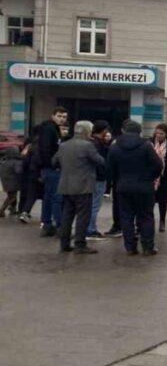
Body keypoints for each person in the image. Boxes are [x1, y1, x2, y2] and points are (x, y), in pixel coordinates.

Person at [108, 120, 162, 256]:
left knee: (126, 217)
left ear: (123, 131)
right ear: (139, 132)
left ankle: (130, 247)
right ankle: (148, 246)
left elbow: (109, 168)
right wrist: (149, 177)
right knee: (146, 217)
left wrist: (117, 180)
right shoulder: (146, 146)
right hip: (144, 187)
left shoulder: (115, 146)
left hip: (123, 187)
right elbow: (157, 165)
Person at [52, 120, 106, 255]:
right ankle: (80, 244)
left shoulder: (64, 145)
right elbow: (100, 161)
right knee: (83, 216)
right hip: (83, 186)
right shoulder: (88, 146)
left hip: (66, 185)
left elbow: (54, 162)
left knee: (67, 215)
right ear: (87, 131)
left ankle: (64, 243)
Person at [35, 107, 68, 236]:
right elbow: (46, 149)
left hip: (49, 168)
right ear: (53, 116)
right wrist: (53, 165)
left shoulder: (54, 130)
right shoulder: (49, 130)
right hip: (52, 168)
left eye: (64, 117)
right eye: (59, 116)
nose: (62, 119)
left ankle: (47, 224)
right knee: (56, 197)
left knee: (48, 196)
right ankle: (60, 225)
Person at [85, 121, 112, 240]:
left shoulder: (91, 142)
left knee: (91, 204)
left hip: (91, 177)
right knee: (94, 205)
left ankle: (89, 229)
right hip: (98, 178)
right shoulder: (97, 144)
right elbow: (100, 161)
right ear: (103, 130)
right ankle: (90, 230)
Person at [0, 145, 22, 217]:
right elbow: (18, 171)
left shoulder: (4, 161)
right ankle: (2, 210)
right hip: (13, 181)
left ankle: (13, 209)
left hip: (5, 181)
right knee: (11, 196)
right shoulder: (16, 162)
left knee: (11, 195)